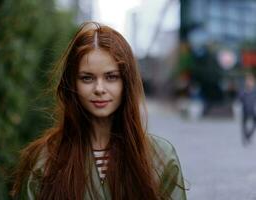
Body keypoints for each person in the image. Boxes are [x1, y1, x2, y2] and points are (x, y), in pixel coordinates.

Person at [11, 22, 187, 200]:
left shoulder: (160, 157)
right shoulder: (44, 158)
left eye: (111, 77)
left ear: (126, 82)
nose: (99, 88)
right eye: (87, 78)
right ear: (72, 84)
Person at [239, 73, 256, 145]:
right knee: (244, 125)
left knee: (254, 124)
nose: (249, 82)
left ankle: (248, 135)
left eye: (251, 81)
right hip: (245, 110)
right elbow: (240, 98)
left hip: (253, 110)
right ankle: (245, 137)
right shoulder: (243, 90)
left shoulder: (254, 91)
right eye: (248, 81)